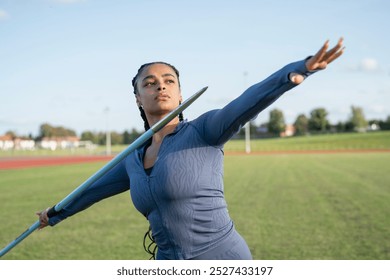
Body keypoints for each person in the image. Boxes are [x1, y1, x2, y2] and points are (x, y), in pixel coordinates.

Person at [37, 38, 345, 260]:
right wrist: (55, 214)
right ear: (137, 98)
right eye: (150, 83)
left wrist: (295, 73)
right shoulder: (133, 157)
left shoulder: (204, 131)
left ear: (181, 94)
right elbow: (92, 189)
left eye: (169, 81)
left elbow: (247, 101)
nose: (161, 86)